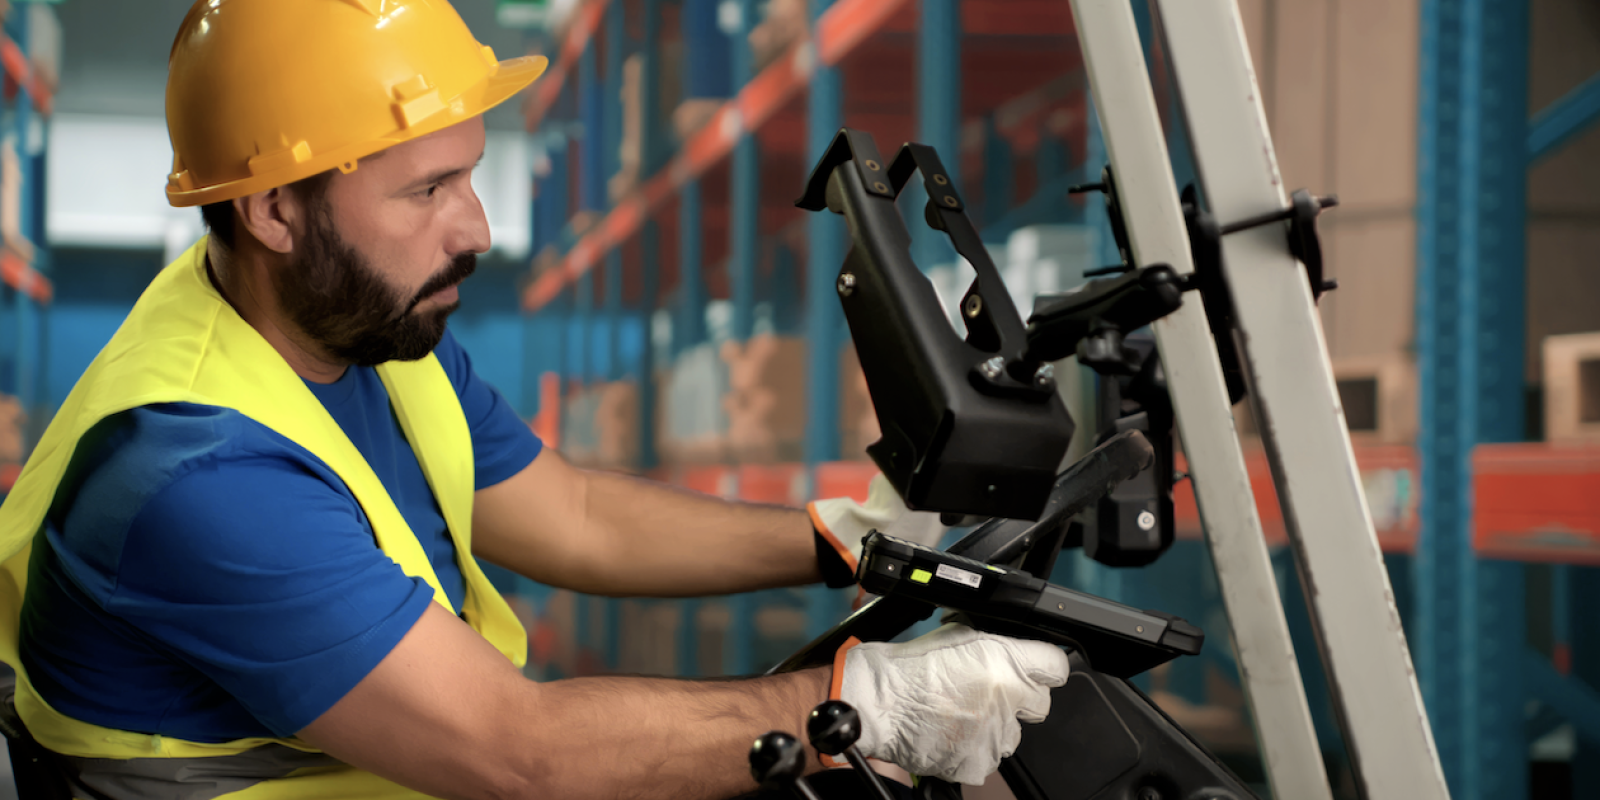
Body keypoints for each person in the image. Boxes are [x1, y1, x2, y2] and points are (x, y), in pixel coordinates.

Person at [0, 1, 1072, 798]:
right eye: (426, 190)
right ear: (276, 211)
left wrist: (845, 539)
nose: (476, 229)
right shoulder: (198, 474)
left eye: (468, 174)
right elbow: (521, 749)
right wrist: (865, 706)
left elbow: (574, 515)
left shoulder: (357, 328)